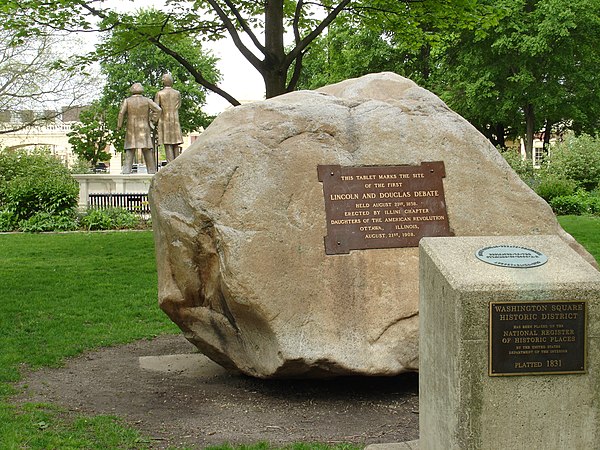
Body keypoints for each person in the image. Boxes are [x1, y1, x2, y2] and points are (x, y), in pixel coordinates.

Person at [117, 82, 162, 174]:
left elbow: (121, 113)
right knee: (146, 149)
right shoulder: (147, 100)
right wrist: (153, 120)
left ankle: (126, 170)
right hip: (144, 128)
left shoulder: (127, 101)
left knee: (130, 148)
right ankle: (152, 170)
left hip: (131, 129)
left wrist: (119, 126)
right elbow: (158, 109)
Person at [154, 73, 183, 163]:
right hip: (175, 120)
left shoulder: (159, 94)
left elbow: (156, 108)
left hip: (164, 120)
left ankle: (170, 164)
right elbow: (179, 105)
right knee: (175, 143)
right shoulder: (177, 93)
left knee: (168, 143)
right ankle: (177, 164)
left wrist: (153, 120)